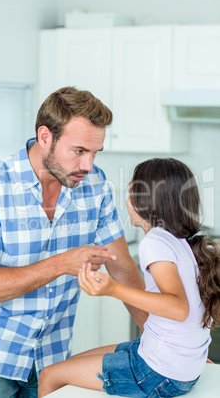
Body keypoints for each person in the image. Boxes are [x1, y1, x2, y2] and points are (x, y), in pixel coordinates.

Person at [0, 86, 146, 397]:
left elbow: (123, 268)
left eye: (95, 152)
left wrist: (166, 342)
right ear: (46, 137)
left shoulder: (95, 185)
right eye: (79, 151)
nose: (88, 164)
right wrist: (63, 263)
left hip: (52, 359)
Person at [38, 157, 220, 398]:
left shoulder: (154, 241)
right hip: (183, 368)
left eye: (132, 191)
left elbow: (178, 307)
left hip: (158, 372)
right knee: (71, 363)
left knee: (50, 375)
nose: (127, 200)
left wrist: (113, 289)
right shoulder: (178, 241)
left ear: (148, 201)